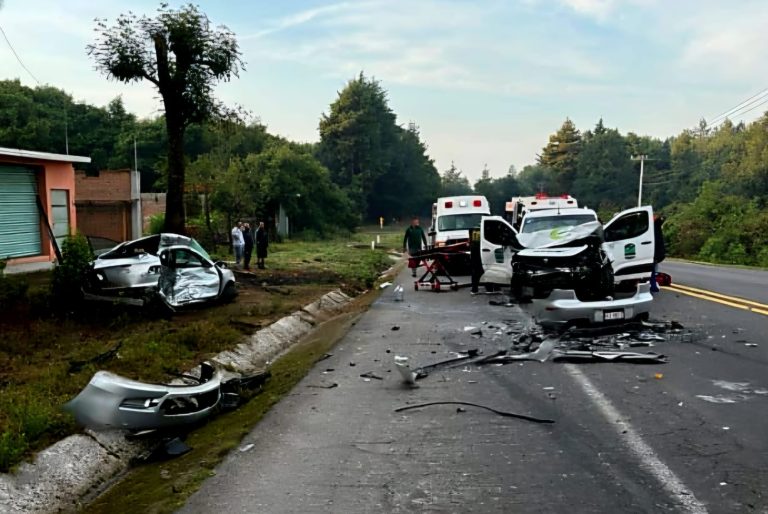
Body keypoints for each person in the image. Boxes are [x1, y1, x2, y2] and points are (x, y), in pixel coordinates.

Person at [650, 214, 666, 293]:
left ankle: (653, 285)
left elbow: (662, 218)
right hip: (656, 251)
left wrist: (657, 218)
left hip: (656, 250)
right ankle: (653, 284)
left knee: (653, 268)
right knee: (653, 267)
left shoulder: (655, 225)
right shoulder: (653, 227)